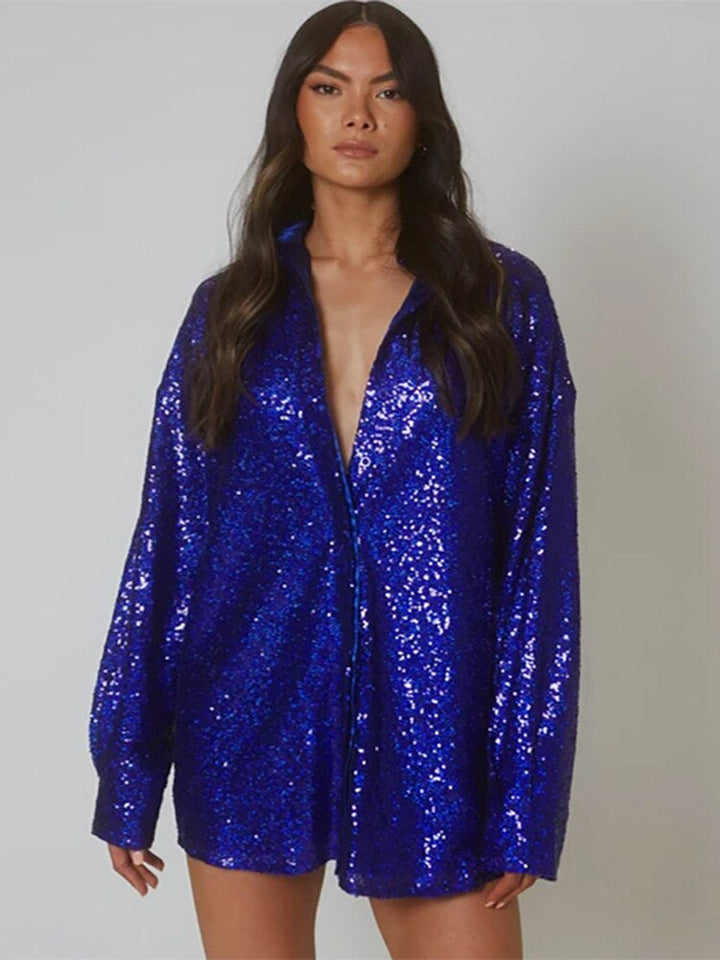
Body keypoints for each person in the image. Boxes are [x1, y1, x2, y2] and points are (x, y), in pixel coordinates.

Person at [88, 2, 580, 958]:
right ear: (297, 112)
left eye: (388, 92)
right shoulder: (230, 310)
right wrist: (130, 767)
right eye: (330, 88)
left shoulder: (498, 299)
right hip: (245, 717)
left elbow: (537, 555)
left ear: (423, 118)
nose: (358, 114)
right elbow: (169, 541)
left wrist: (526, 795)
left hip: (435, 725)